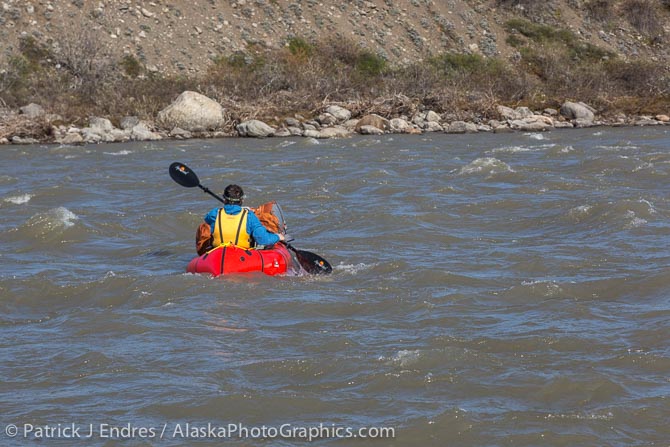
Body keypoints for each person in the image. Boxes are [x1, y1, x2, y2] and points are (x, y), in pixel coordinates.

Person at [195, 184, 285, 255]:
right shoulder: (249, 216)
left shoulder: (214, 214)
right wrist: (278, 237)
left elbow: (207, 219)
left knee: (203, 228)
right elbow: (263, 240)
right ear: (241, 200)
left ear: (224, 199)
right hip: (242, 254)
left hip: (218, 253)